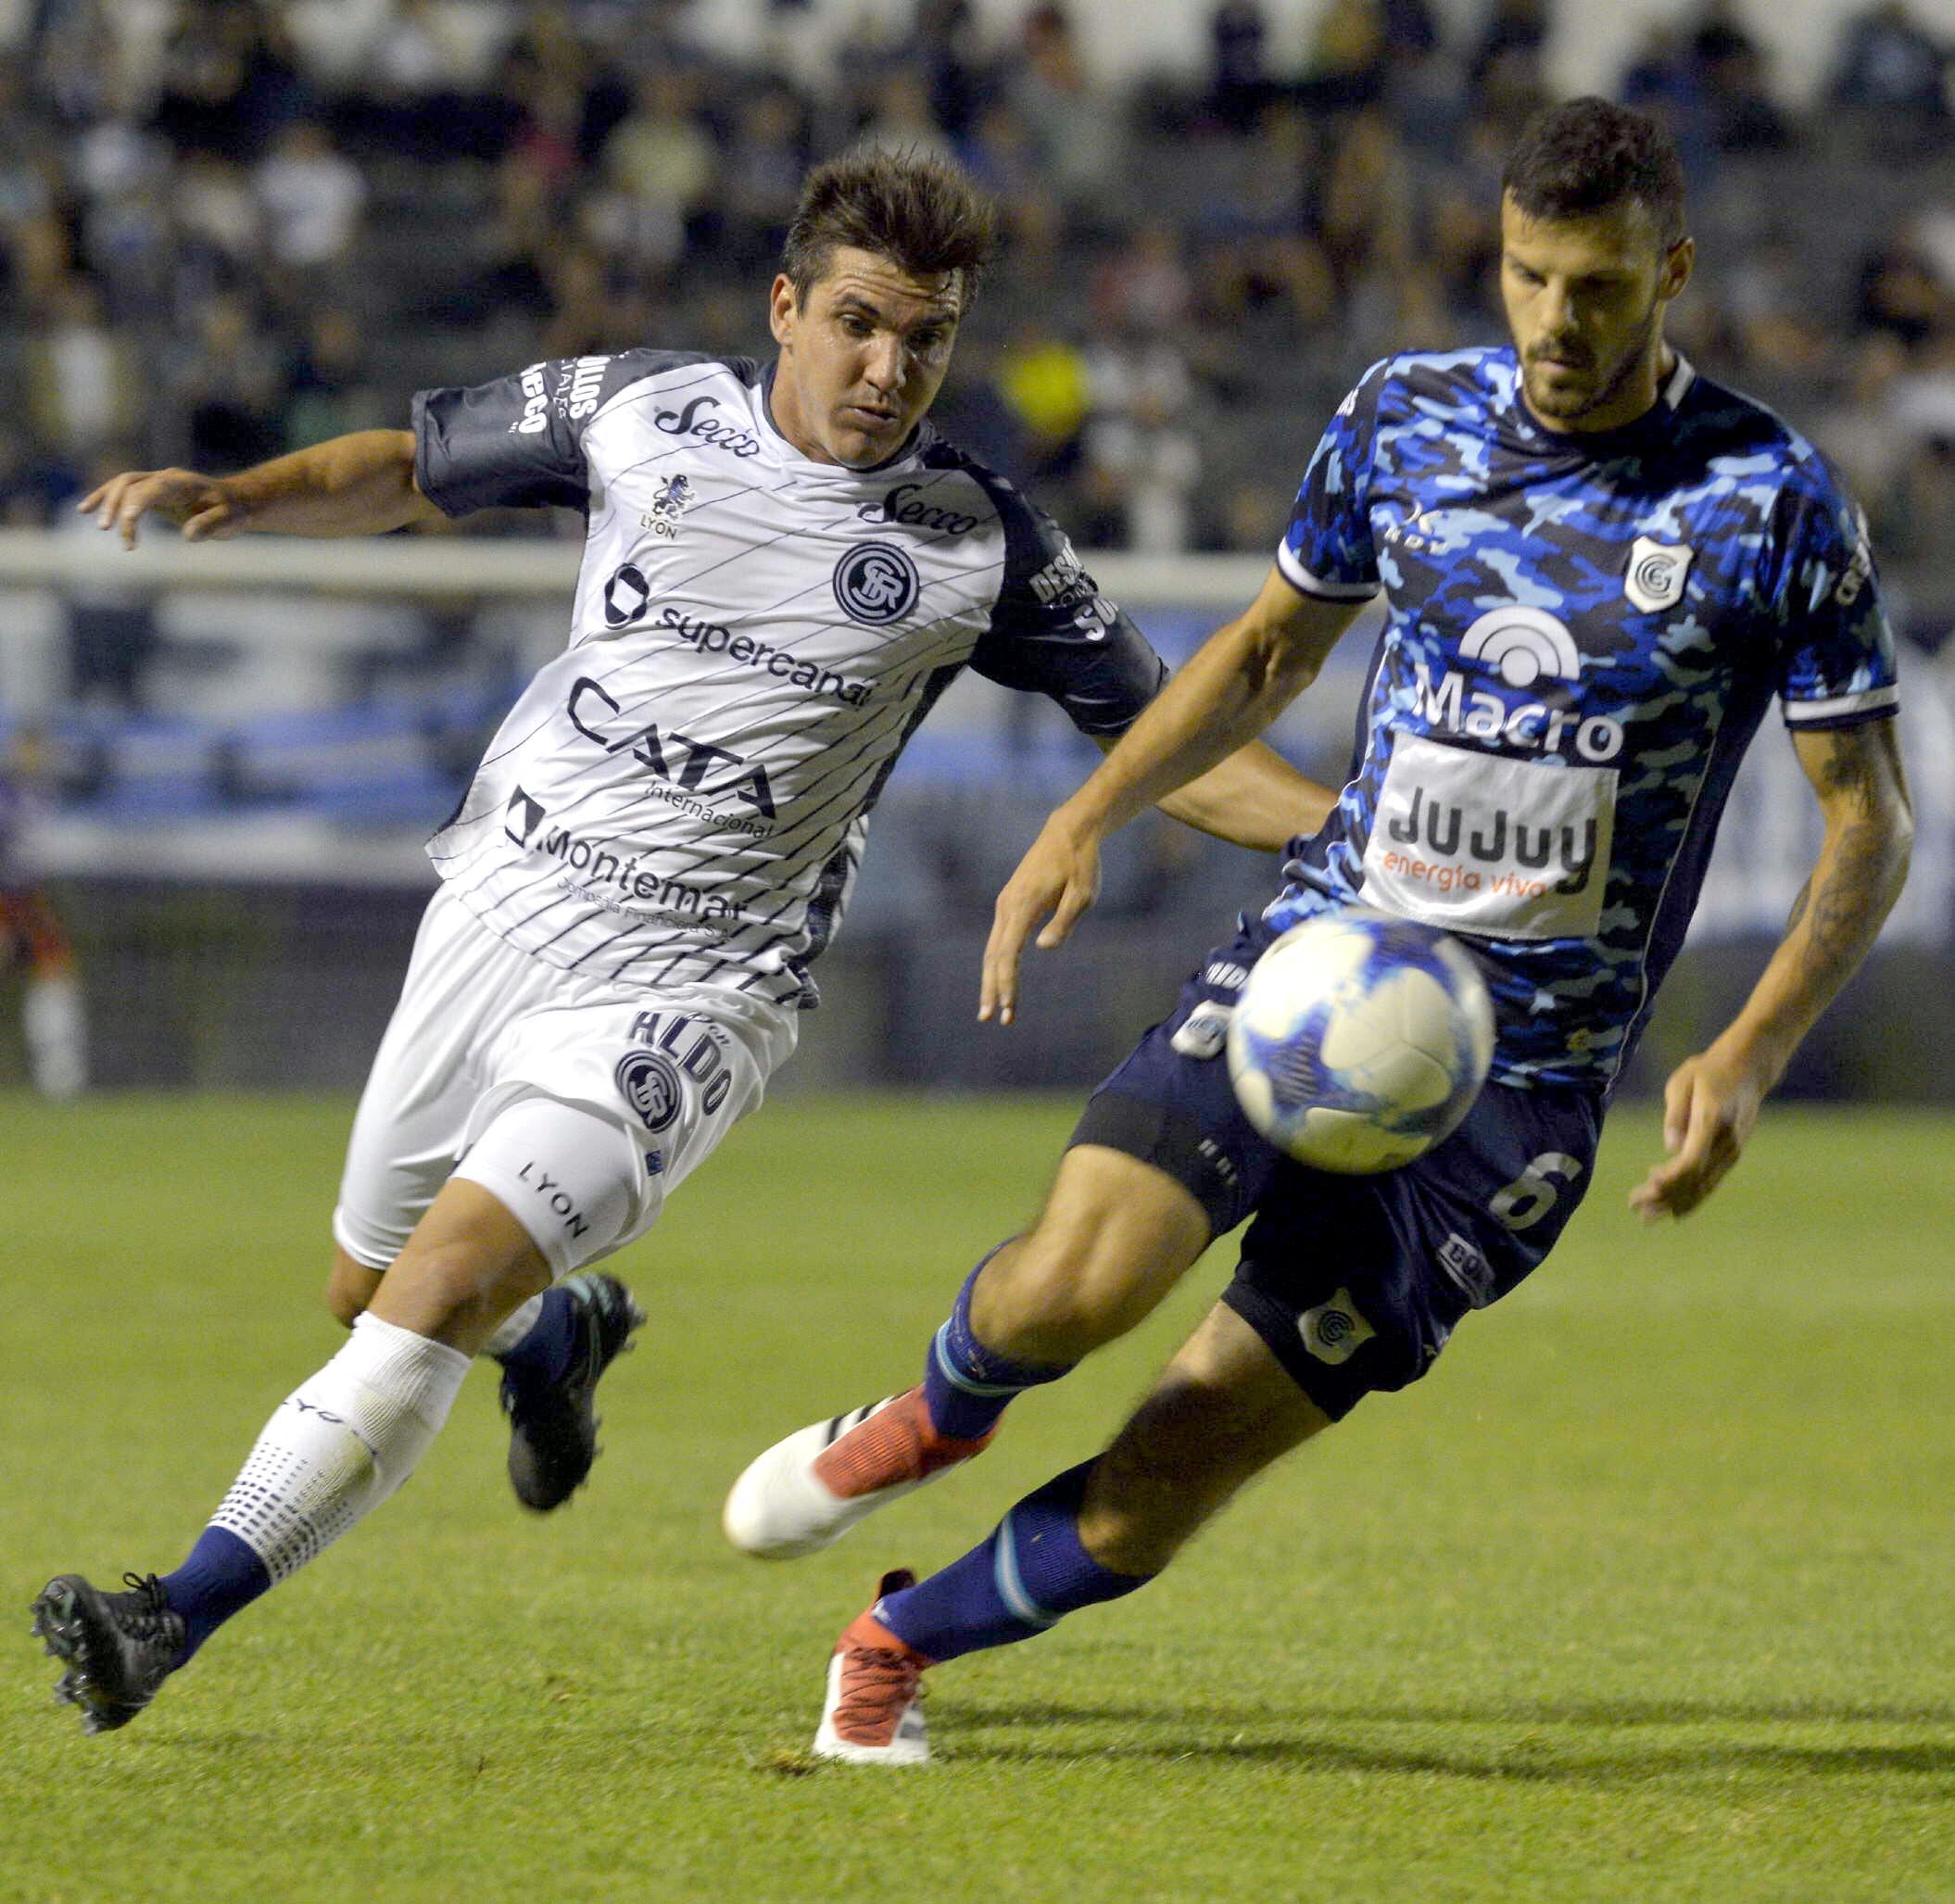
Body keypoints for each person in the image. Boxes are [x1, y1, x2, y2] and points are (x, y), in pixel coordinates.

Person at [30, 147, 1331, 1736]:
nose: (887, 367)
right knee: (363, 1282)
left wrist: (1361, 843)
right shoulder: (645, 409)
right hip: (497, 912)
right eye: (856, 322)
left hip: (692, 991)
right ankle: (562, 1340)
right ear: (784, 308)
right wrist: (240, 494)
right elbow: (416, 463)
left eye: (925, 338)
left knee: (423, 1298)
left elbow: (1168, 737)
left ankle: (169, 1615)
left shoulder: (971, 535)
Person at [722, 99, 1916, 1765]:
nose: (1557, 323)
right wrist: (1091, 814)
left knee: (1162, 1486)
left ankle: (894, 1641)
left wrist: (1751, 1045)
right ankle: (936, 1414)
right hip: (1323, 960)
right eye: (1526, 278)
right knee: (1075, 1285)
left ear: (1675, 273)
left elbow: (1868, 819)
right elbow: (1273, 651)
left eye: (1598, 288)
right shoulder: (1405, 419)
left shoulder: (1768, 501)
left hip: (1515, 1095)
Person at [1, 728, 88, 1099]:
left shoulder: (44, 795)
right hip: (5, 898)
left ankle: (59, 1075)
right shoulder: (7, 797)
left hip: (26, 899)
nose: (35, 758)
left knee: (55, 974)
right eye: (28, 750)